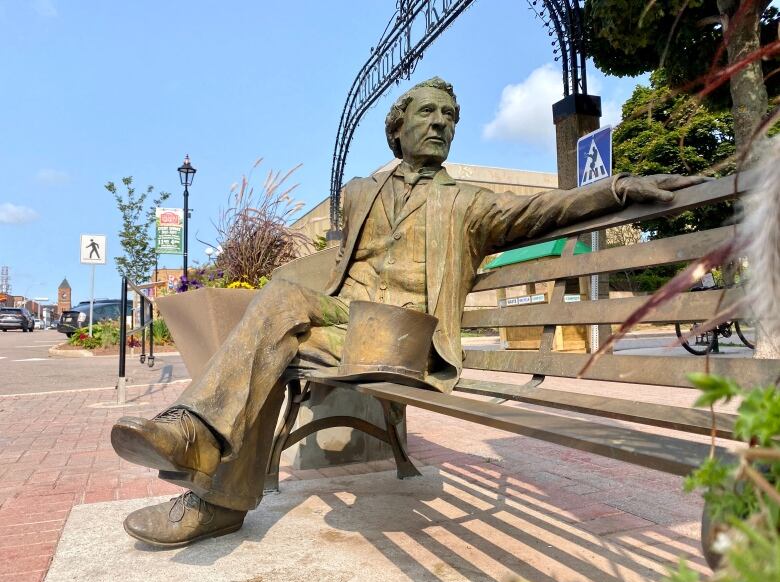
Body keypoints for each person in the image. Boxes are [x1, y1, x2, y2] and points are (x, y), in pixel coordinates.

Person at [111, 77, 705, 547]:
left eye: (449, 118)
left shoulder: (468, 204)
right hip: (347, 321)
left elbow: (546, 211)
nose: (441, 124)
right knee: (278, 326)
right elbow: (336, 264)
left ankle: (203, 468)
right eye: (428, 114)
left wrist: (620, 188)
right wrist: (268, 290)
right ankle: (210, 484)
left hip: (401, 338)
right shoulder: (362, 193)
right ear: (397, 129)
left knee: (277, 330)